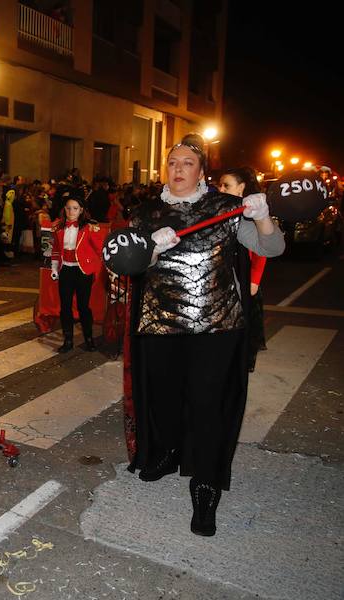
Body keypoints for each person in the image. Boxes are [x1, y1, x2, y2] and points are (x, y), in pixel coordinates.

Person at [125, 134, 284, 537]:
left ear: (202, 171)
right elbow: (123, 266)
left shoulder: (227, 208)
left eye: (186, 163)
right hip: (160, 323)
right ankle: (166, 454)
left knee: (208, 403)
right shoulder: (146, 212)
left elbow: (272, 247)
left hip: (216, 325)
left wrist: (262, 216)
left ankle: (206, 485)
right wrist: (151, 251)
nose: (177, 170)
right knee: (162, 397)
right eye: (172, 163)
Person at [219, 167, 268, 372]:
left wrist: (254, 280)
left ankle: (241, 363)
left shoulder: (251, 212)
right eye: (219, 185)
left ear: (241, 188)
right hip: (223, 273)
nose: (221, 189)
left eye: (226, 186)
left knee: (244, 322)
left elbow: (262, 250)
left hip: (243, 274)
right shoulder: (218, 208)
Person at [50, 197, 104, 352]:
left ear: (81, 210)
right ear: (64, 209)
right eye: (68, 208)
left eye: (75, 208)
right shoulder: (58, 228)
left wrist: (102, 267)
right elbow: (55, 249)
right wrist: (54, 268)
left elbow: (100, 250)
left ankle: (89, 338)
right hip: (65, 270)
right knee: (65, 306)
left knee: (83, 306)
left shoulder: (89, 228)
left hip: (82, 271)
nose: (71, 212)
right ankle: (68, 340)